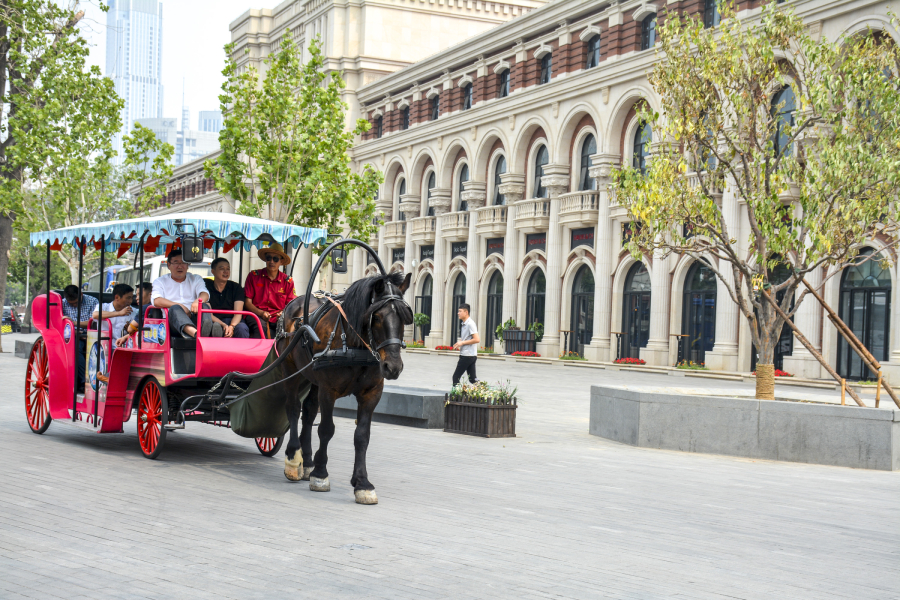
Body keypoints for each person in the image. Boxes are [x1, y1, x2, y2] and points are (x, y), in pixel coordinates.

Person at [151, 249, 214, 338]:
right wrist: (181, 306)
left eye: (183, 262)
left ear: (187, 265)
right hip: (173, 322)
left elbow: (205, 294)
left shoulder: (196, 278)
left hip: (194, 317)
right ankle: (197, 334)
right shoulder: (160, 281)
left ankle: (206, 331)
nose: (180, 266)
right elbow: (157, 300)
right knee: (175, 308)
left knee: (204, 305)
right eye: (176, 262)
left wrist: (197, 301)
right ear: (169, 265)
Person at [243, 242, 296, 338]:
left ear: (281, 262)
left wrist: (282, 313)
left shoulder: (288, 281)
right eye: (269, 258)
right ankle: (259, 352)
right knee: (260, 326)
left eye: (275, 259)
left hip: (278, 318)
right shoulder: (253, 276)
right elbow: (247, 303)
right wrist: (261, 313)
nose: (271, 261)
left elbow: (291, 305)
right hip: (256, 315)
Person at [205, 257, 254, 338]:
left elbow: (238, 313)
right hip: (214, 321)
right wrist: (223, 325)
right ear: (213, 271)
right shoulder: (206, 286)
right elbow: (208, 313)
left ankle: (243, 350)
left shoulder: (236, 287)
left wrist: (232, 326)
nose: (225, 271)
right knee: (214, 329)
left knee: (242, 329)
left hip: (233, 320)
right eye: (222, 268)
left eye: (228, 269)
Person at [61, 285, 98, 389]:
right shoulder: (62, 304)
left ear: (81, 295)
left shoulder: (93, 302)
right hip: (73, 336)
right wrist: (75, 331)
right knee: (76, 347)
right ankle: (83, 382)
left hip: (92, 333)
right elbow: (61, 324)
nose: (75, 305)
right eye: (71, 304)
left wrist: (75, 323)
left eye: (77, 303)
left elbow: (95, 322)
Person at [452, 303, 480, 386]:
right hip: (470, 355)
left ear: (466, 312)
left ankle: (456, 397)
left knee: (456, 377)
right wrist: (459, 343)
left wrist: (462, 342)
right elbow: (467, 337)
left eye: (460, 311)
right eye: (458, 311)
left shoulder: (470, 324)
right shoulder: (464, 323)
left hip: (467, 356)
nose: (458, 313)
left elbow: (477, 339)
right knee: (473, 379)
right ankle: (485, 393)